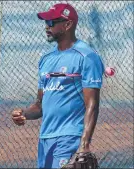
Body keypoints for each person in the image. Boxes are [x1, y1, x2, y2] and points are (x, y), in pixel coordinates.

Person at [11, 3, 104, 168]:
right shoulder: (46, 58)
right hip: (45, 139)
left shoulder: (86, 56)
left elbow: (92, 104)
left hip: (70, 137)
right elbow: (40, 105)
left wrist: (84, 145)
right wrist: (24, 113)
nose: (47, 26)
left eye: (51, 22)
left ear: (67, 24)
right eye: (46, 22)